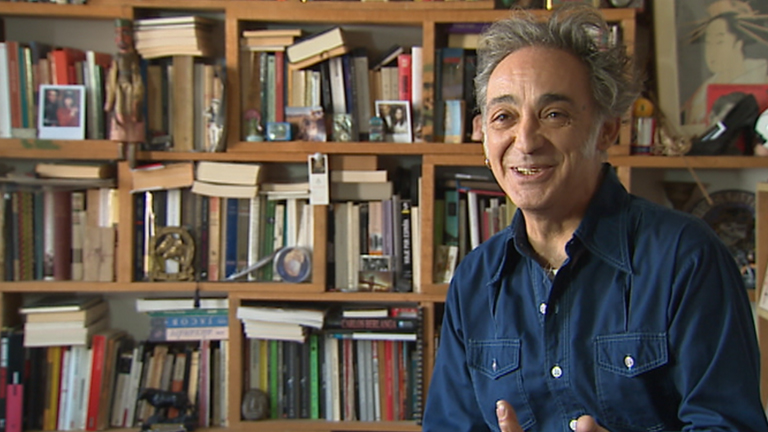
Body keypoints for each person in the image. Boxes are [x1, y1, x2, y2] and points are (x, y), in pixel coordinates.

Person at [422, 5, 768, 432]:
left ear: (606, 130)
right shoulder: (475, 280)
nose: (525, 141)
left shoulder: (687, 258)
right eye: (504, 117)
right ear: (483, 135)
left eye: (554, 114)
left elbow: (731, 425)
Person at [682, 0, 768, 127]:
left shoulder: (762, 73)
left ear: (738, 44)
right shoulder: (700, 95)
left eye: (719, 42)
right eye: (708, 43)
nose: (711, 52)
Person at [104, 19, 145, 145]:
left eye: (125, 33)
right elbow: (112, 79)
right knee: (119, 120)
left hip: (130, 91)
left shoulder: (134, 58)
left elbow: (137, 77)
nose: (121, 38)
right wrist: (110, 100)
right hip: (119, 92)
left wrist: (136, 97)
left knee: (133, 119)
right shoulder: (117, 58)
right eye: (117, 34)